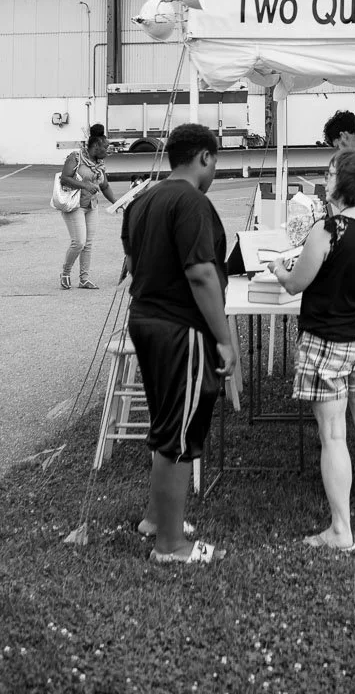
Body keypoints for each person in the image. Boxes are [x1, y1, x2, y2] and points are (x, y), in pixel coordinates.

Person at [271, 149, 355, 549]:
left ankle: (341, 530)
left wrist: (279, 270)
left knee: (334, 435)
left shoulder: (329, 229)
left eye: (331, 175)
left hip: (328, 340)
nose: (326, 181)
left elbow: (297, 283)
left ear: (345, 183)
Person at [121, 124, 236, 565]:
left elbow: (130, 259)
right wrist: (225, 342)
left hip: (145, 320)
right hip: (179, 327)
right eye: (215, 162)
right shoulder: (192, 201)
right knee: (181, 434)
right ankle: (171, 546)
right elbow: (201, 273)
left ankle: (156, 519)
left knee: (166, 423)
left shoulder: (144, 198)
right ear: (205, 157)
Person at [58, 123, 117, 290]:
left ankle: (84, 279)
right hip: (75, 205)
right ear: (96, 145)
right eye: (105, 147)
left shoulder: (99, 164)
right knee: (79, 242)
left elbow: (104, 186)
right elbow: (64, 178)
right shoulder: (75, 158)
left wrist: (117, 202)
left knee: (88, 244)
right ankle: (65, 273)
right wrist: (84, 185)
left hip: (91, 206)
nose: (108, 150)